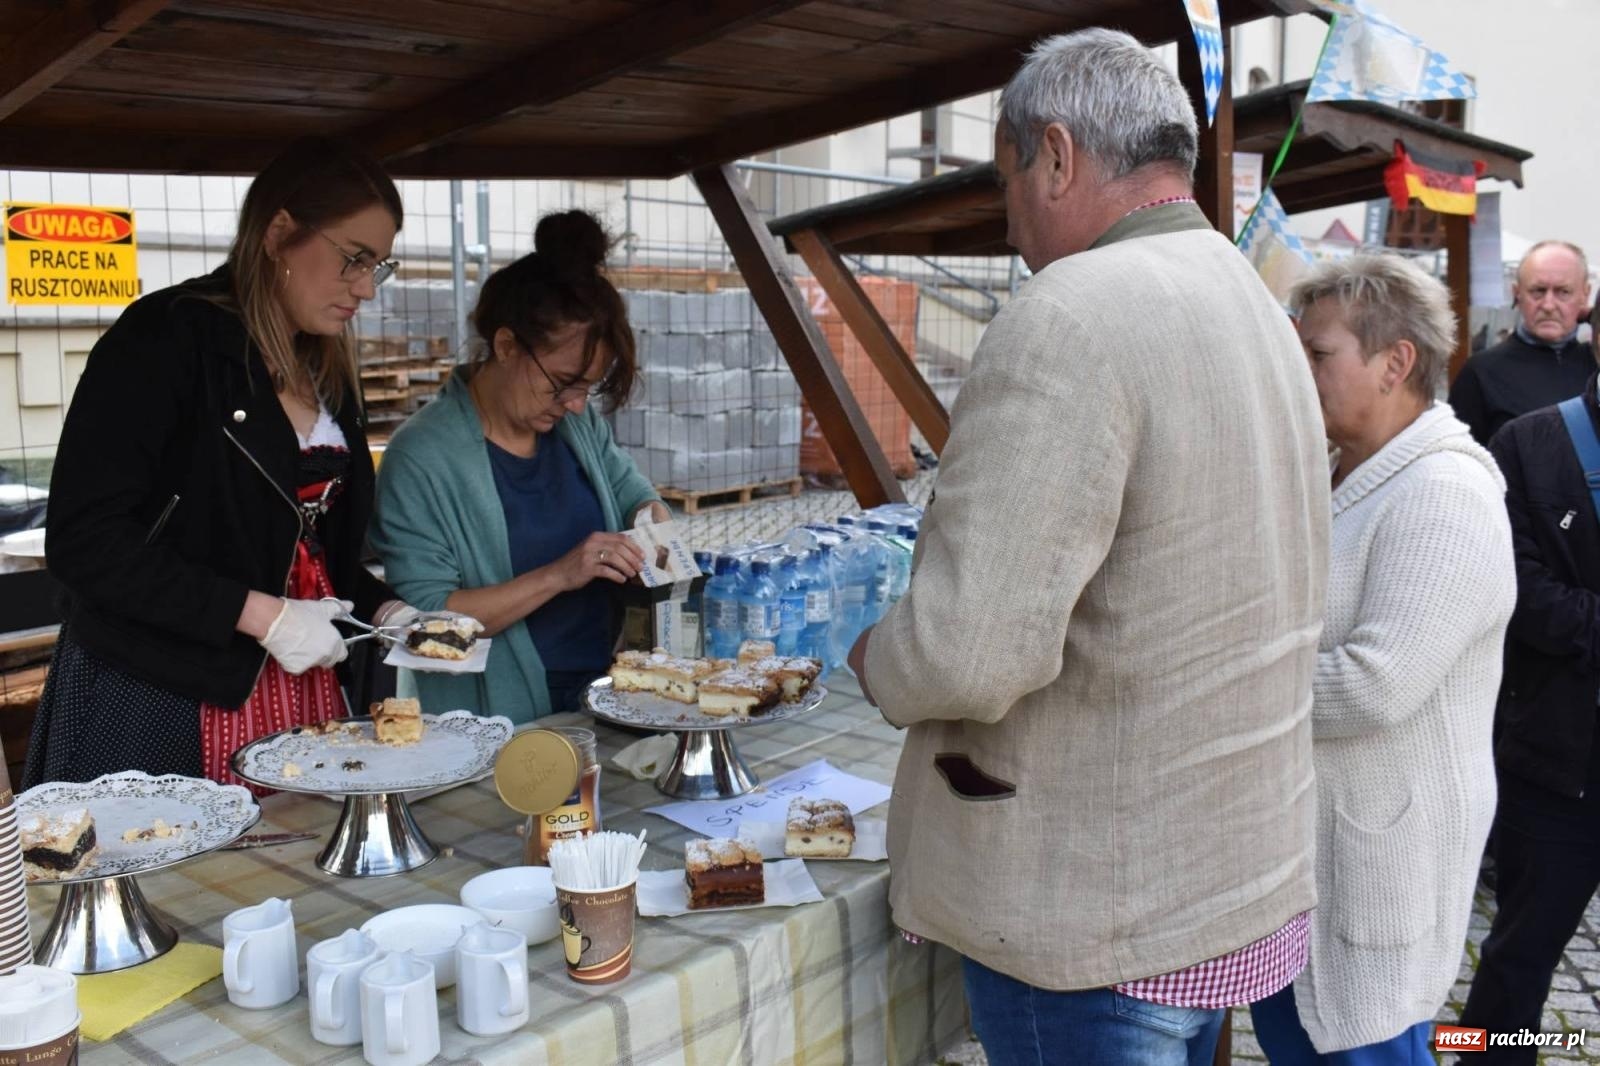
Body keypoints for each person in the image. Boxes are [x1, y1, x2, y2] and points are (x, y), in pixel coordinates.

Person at [846, 28, 1329, 1066]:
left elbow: (969, 653)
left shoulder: (1070, 311)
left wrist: (876, 656)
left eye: (1008, 173)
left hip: (1098, 914)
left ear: (1056, 155)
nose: (1007, 211)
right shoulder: (1255, 300)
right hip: (1225, 872)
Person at [26, 137, 418, 791]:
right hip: (162, 687)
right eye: (353, 259)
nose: (364, 290)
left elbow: (311, 555)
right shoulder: (164, 341)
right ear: (279, 233)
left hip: (302, 685)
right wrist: (260, 614)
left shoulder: (326, 368)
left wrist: (388, 614)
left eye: (377, 266)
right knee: (183, 881)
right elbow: (84, 543)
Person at [1246, 256, 1514, 1063]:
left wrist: (1221, 689)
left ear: (1396, 361)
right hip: (1312, 854)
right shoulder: (1341, 471)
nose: (1299, 370)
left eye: (1318, 354)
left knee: (1367, 1038)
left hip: (1379, 861)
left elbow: (1374, 686)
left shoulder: (1444, 493)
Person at [371, 211, 665, 724]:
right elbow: (431, 619)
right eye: (562, 382)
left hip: (607, 690)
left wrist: (655, 530)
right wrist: (559, 575)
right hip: (498, 714)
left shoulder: (577, 428)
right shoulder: (420, 458)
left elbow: (635, 495)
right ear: (506, 346)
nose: (575, 404)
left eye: (587, 387)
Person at [1458, 299, 1600, 1064]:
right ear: (1595, 335)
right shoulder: (1532, 443)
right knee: (1515, 966)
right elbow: (1518, 591)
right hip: (1556, 758)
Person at [1449, 241, 1594, 446]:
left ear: (1585, 294)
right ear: (1517, 293)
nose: (1548, 305)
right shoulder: (1482, 371)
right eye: (1538, 291)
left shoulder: (1594, 363)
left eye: (1563, 292)